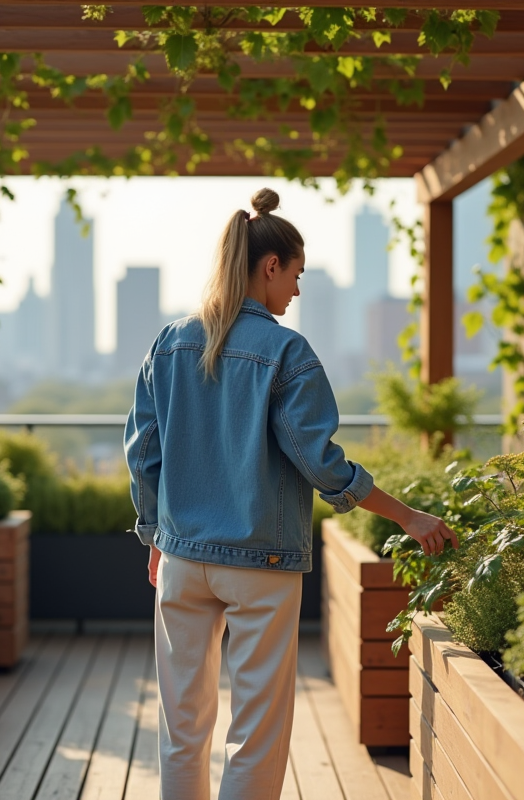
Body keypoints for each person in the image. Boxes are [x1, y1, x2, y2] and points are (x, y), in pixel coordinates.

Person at [124, 188, 457, 800]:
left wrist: (154, 535)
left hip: (181, 561)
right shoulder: (287, 352)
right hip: (262, 565)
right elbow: (320, 463)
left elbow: (143, 453)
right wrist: (406, 516)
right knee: (257, 734)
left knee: (181, 730)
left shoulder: (167, 344)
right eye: (296, 274)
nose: (298, 291)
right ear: (270, 266)